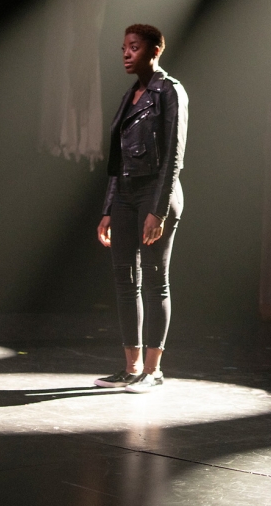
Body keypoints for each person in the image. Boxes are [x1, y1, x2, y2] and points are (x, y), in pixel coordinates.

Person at [94, 24, 188, 394]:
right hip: (125, 195)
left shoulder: (170, 91)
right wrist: (107, 208)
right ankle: (131, 367)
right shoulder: (129, 96)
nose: (126, 53)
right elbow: (117, 162)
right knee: (123, 278)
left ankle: (153, 369)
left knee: (154, 279)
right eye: (123, 48)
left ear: (155, 51)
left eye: (134, 47)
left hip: (155, 193)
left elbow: (173, 155)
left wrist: (159, 209)